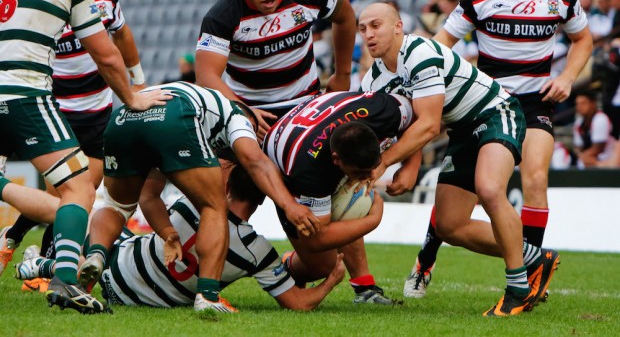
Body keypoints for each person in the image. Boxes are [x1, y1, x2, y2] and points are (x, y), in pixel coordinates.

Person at [408, 0, 591, 300]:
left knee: (536, 179)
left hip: (536, 100)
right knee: (458, 188)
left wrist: (568, 77)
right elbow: (442, 42)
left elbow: (582, 39)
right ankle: (426, 260)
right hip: (484, 101)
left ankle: (532, 272)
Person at [0, 0, 169, 314]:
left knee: (66, 186)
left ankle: (31, 251)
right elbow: (107, 55)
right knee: (78, 187)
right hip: (27, 96)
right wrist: (134, 97)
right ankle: (65, 280)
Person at [358, 2, 560, 316]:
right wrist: (408, 168)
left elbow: (427, 124)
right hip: (462, 130)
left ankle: (518, 289)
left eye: (376, 25)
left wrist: (385, 163)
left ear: (398, 26)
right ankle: (534, 257)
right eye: (363, 28)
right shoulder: (372, 83)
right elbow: (410, 123)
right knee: (450, 225)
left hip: (496, 112)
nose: (369, 34)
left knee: (490, 189)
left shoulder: (420, 53)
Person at [78, 81, 321, 313]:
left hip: (126, 115)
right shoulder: (237, 116)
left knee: (116, 206)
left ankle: (97, 254)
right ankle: (208, 295)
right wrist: (289, 205)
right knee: (213, 206)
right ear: (251, 121)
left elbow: (149, 196)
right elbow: (255, 161)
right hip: (174, 113)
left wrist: (168, 234)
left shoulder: (206, 109)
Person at [16, 164, 346, 310]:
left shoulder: (193, 203)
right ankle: (44, 265)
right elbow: (298, 303)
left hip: (118, 272)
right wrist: (331, 279)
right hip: (150, 300)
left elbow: (151, 195)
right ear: (264, 199)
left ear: (228, 185)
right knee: (117, 234)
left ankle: (46, 264)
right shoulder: (258, 251)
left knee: (92, 215)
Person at [264, 91, 417, 304]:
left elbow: (419, 118)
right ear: (336, 160)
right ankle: (286, 264)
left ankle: (365, 290)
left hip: (306, 131)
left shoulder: (385, 111)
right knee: (323, 266)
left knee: (351, 199)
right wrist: (372, 220)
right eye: (361, 172)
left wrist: (411, 166)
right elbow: (318, 238)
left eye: (373, 169)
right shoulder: (310, 172)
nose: (370, 177)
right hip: (278, 164)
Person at [195, 0, 356, 139]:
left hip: (306, 103)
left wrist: (343, 75)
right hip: (252, 110)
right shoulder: (222, 16)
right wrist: (242, 111)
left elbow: (345, 15)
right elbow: (206, 76)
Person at [573, 91, 615, 167]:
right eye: (577, 104)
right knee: (581, 162)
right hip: (590, 157)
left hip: (608, 156)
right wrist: (581, 155)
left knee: (583, 161)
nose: (579, 107)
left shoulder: (601, 118)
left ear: (592, 104)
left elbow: (599, 148)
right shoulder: (578, 123)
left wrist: (584, 156)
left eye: (583, 103)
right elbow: (578, 147)